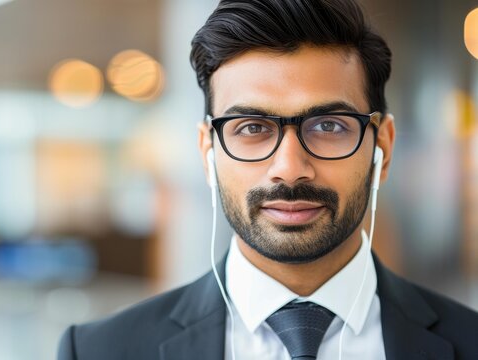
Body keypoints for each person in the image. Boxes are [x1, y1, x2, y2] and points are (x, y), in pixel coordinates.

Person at [58, 0, 478, 358]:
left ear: (382, 147)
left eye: (329, 126)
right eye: (252, 127)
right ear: (209, 152)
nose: (290, 167)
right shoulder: (101, 350)